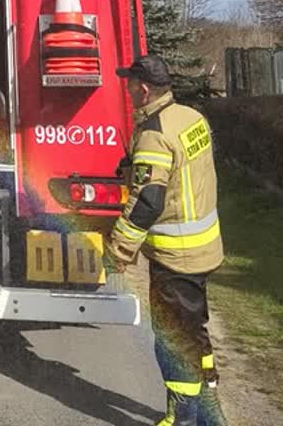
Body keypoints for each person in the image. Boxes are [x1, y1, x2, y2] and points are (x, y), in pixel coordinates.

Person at [107, 54, 228, 426]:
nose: (127, 89)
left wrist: (118, 251)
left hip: (176, 256)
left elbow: (148, 202)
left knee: (173, 338)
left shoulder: (154, 134)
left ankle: (183, 417)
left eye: (130, 84)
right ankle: (210, 411)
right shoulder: (191, 118)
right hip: (203, 248)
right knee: (193, 329)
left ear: (143, 89)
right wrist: (135, 168)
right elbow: (183, 173)